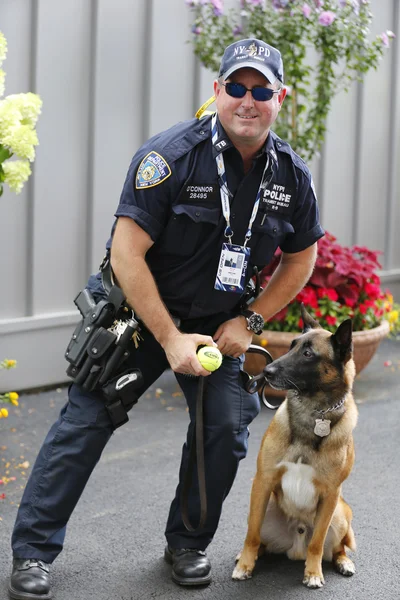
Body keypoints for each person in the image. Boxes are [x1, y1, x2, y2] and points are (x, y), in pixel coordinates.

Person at [8, 37, 324, 599]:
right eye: (235, 87)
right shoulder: (171, 157)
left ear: (281, 96)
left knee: (225, 428)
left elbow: (302, 257)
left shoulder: (292, 177)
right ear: (217, 91)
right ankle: (33, 550)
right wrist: (170, 337)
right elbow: (127, 254)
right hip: (138, 315)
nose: (246, 101)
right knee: (84, 423)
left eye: (260, 90)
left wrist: (249, 321)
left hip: (222, 323)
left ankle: (187, 543)